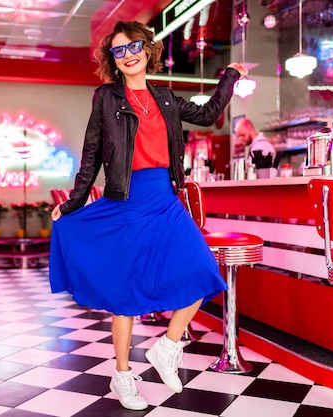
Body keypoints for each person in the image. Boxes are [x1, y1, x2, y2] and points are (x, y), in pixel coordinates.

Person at [49, 21, 247, 411]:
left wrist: (231, 75)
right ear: (113, 60)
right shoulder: (106, 98)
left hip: (165, 200)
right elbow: (91, 154)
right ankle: (122, 375)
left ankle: (167, 347)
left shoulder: (167, 98)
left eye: (133, 46)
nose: (128, 55)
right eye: (119, 51)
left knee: (203, 271)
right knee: (126, 295)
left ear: (147, 49)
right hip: (127, 200)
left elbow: (208, 115)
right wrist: (73, 201)